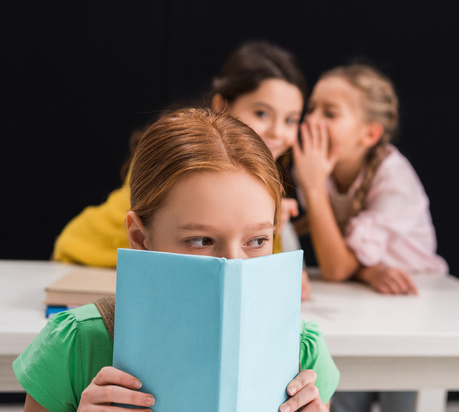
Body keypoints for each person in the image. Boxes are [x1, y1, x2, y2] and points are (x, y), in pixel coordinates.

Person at [13, 108, 339, 412]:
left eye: (257, 240)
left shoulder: (301, 352)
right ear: (140, 238)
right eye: (201, 240)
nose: (234, 265)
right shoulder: (76, 347)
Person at [51, 41, 312, 299]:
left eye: (290, 119)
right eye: (262, 113)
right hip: (85, 263)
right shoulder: (178, 158)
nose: (278, 132)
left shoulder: (269, 167)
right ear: (221, 105)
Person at [291, 63, 447, 412]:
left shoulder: (393, 175)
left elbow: (335, 267)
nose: (312, 120)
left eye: (329, 113)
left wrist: (314, 187)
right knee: (345, 405)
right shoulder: (315, 168)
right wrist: (362, 269)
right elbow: (342, 267)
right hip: (361, 295)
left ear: (370, 134)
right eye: (311, 109)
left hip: (416, 299)